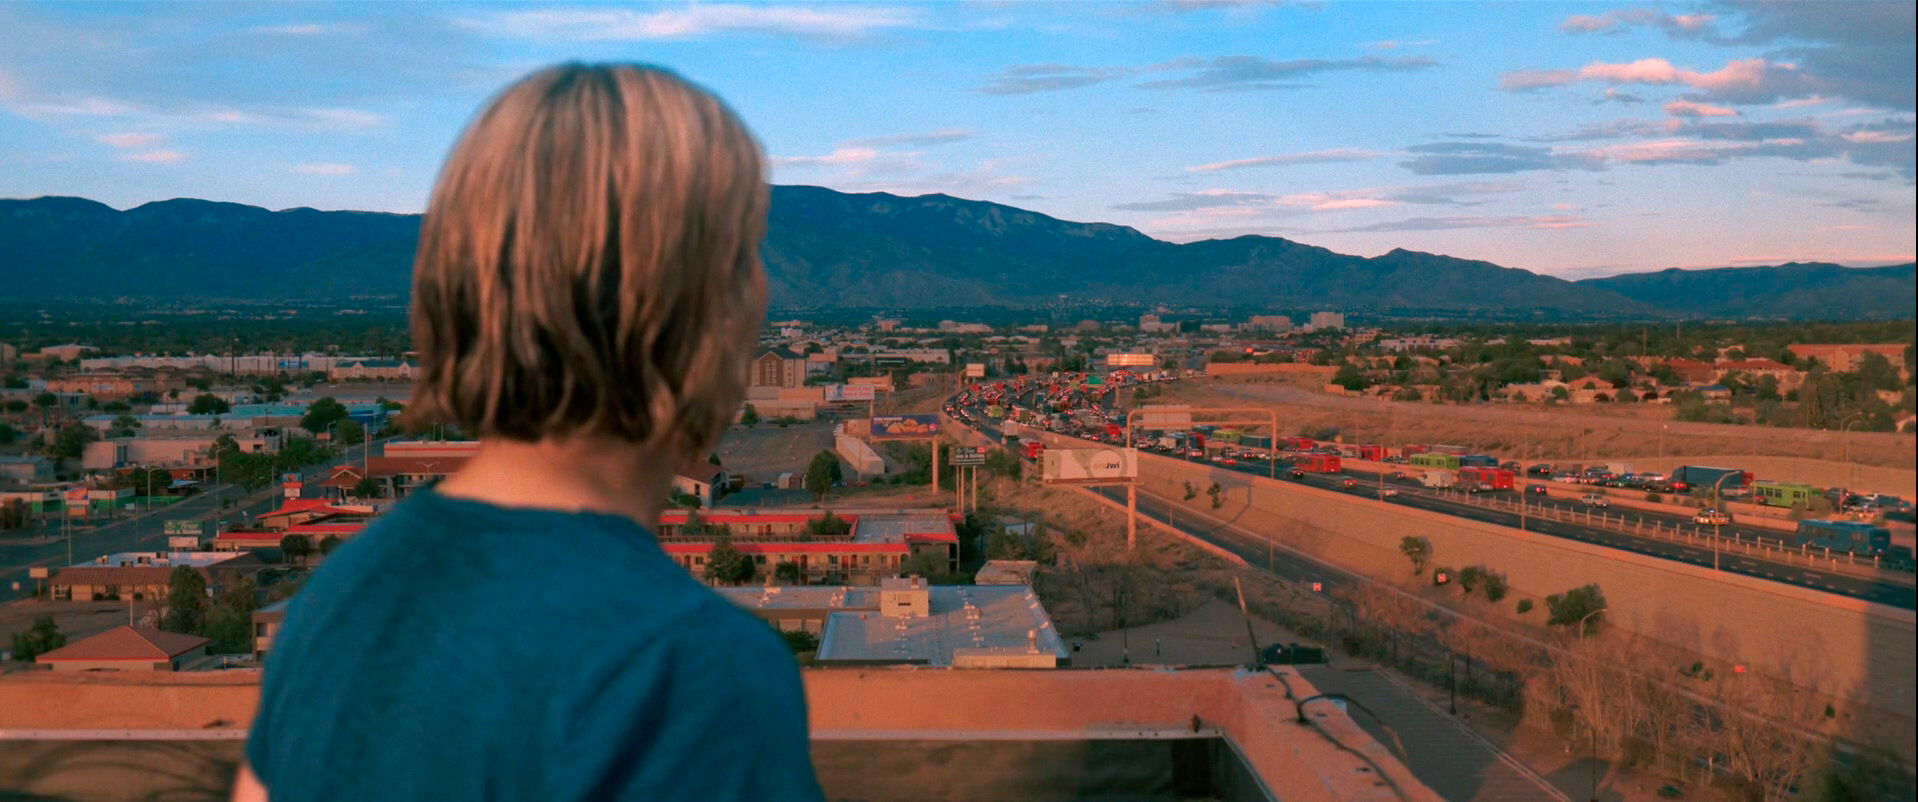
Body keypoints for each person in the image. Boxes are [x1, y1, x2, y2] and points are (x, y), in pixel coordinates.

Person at [235, 63, 823, 802]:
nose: (764, 291)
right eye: (745, 254)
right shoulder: (691, 674)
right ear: (690, 306)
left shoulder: (337, 601)